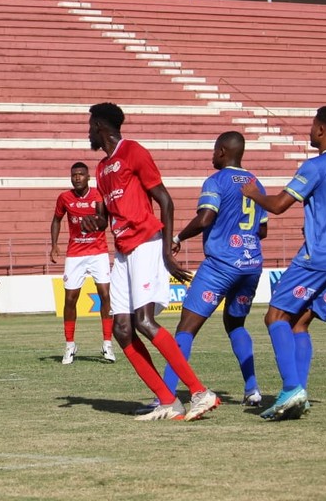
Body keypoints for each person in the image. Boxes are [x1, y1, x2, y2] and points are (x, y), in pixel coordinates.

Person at [85, 102, 219, 421]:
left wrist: (167, 254)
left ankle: (201, 393)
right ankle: (167, 401)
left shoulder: (134, 151)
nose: (88, 131)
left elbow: (165, 201)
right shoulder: (102, 170)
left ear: (101, 126)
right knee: (122, 329)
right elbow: (106, 215)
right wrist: (96, 223)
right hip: (122, 251)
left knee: (144, 322)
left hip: (146, 243)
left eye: (90, 125)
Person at [241, 105, 326, 420]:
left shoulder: (316, 166)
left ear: (322, 130)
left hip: (318, 256)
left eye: (313, 125)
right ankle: (300, 393)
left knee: (274, 317)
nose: (310, 130)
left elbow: (279, 205)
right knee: (300, 323)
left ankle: (291, 389)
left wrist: (254, 193)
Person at [156, 131, 268, 409]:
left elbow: (206, 217)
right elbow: (262, 229)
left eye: (213, 150)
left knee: (186, 328)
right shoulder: (256, 183)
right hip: (251, 265)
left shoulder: (216, 181)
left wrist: (178, 238)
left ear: (221, 151)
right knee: (235, 324)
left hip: (221, 264)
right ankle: (252, 389)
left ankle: (167, 396)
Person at [50, 162, 115, 365]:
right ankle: (70, 345)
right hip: (75, 254)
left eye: (81, 174)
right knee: (70, 299)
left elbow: (104, 219)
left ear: (88, 177)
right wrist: (54, 245)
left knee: (105, 294)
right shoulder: (64, 198)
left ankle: (107, 343)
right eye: (74, 175)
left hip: (98, 252)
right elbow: (56, 220)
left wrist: (96, 221)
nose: (77, 177)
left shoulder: (97, 196)